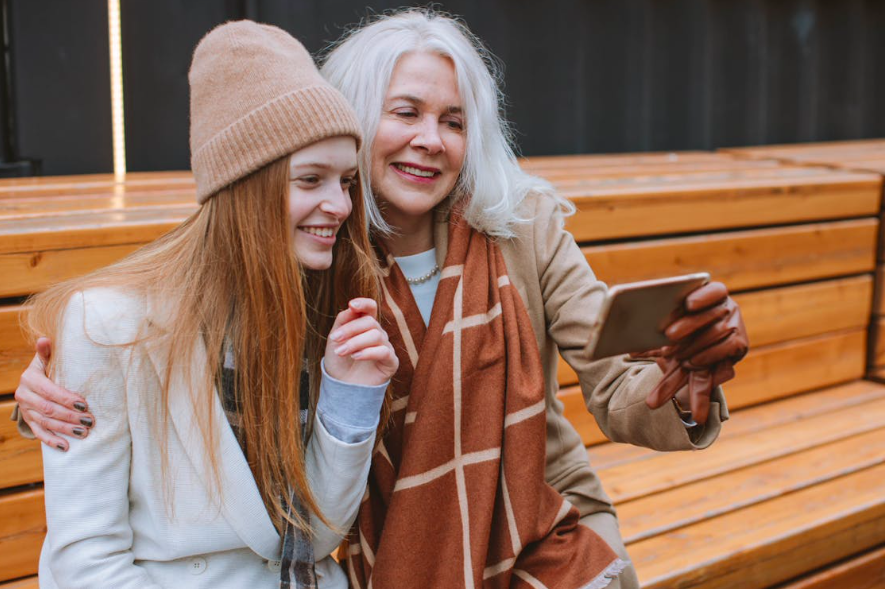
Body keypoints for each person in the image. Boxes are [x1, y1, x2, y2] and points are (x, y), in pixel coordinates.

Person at [15, 9, 749, 589]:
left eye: (453, 121)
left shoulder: (521, 229)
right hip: (378, 541)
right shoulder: (312, 256)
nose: (430, 140)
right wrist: (47, 396)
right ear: (353, 119)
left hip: (539, 525)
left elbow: (617, 382)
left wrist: (681, 389)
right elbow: (188, 338)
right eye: (406, 113)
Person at [20, 21, 397, 589]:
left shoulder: (326, 303)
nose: (339, 205)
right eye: (311, 179)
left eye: (345, 181)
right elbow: (86, 561)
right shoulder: (109, 323)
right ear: (244, 186)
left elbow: (317, 538)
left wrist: (349, 397)